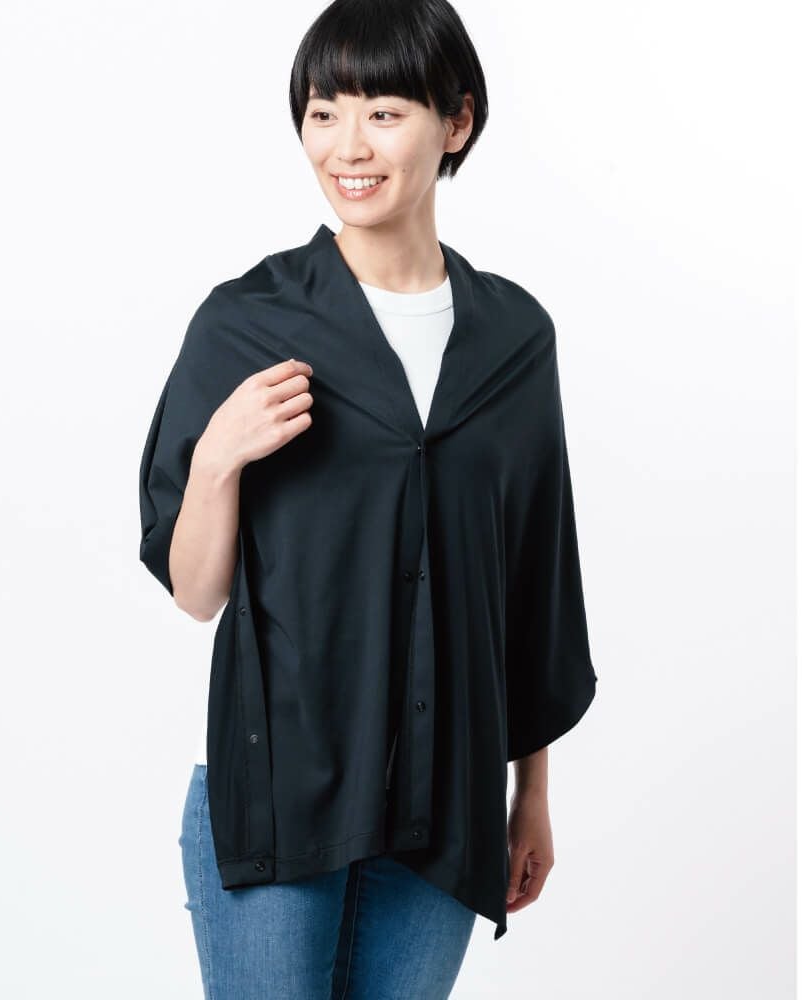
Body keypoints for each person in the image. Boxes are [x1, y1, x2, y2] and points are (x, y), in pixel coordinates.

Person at [138, 1, 598, 996]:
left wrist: (531, 794)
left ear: (456, 121)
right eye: (323, 113)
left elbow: (533, 585)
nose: (347, 146)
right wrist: (215, 460)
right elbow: (195, 593)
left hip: (447, 811)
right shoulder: (247, 324)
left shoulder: (514, 340)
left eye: (384, 113)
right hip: (279, 801)